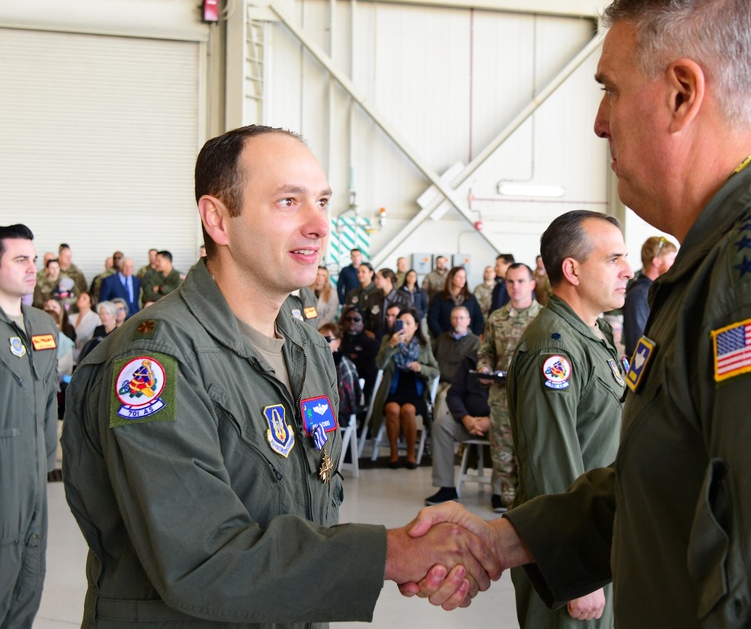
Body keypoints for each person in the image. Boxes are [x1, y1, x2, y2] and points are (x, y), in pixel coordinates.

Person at [411, 0, 751, 626]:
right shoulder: (733, 262)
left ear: (682, 94)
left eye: (610, 90)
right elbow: (674, 480)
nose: (600, 123)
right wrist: (506, 538)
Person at [61, 125, 498, 626]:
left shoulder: (305, 344)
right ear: (218, 219)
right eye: (289, 202)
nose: (319, 225)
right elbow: (202, 557)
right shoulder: (156, 360)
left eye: (323, 202)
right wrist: (391, 554)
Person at [504, 211, 630, 628]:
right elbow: (551, 466)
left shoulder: (592, 335)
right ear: (572, 270)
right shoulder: (553, 349)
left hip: (598, 538)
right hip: (571, 551)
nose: (627, 271)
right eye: (613, 260)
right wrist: (576, 573)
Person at [0, 224, 59, 628]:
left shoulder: (43, 326)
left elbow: (49, 402)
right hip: (4, 479)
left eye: (34, 260)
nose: (32, 268)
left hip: (37, 476)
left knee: (30, 581)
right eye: (20, 259)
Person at [477, 262, 541, 512]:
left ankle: (529, 513)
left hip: (533, 401)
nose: (516, 287)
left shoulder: (544, 319)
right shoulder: (496, 318)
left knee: (531, 459)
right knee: (503, 461)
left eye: (521, 281)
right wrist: (484, 368)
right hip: (502, 400)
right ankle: (510, 513)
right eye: (511, 282)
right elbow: (486, 352)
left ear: (532, 284)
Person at [424, 353, 498, 506]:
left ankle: (499, 492)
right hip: (467, 421)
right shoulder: (470, 361)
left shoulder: (508, 361)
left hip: (497, 423)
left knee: (508, 432)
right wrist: (466, 419)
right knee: (441, 425)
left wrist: (490, 420)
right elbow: (453, 394)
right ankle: (446, 487)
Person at [370, 308, 440, 468]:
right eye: (402, 323)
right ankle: (393, 454)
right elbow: (379, 364)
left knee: (408, 410)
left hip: (416, 391)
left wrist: (421, 368)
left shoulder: (423, 344)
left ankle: (411, 453)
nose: (405, 327)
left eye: (409, 323)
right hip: (393, 389)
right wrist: (391, 345)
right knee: (393, 410)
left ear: (416, 326)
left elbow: (436, 371)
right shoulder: (389, 339)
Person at [622, 235, 677, 358]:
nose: (676, 263)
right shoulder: (639, 294)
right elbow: (637, 344)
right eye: (672, 259)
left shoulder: (656, 290)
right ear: (656, 261)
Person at [319, 322, 361, 428]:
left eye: (327, 339)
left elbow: (348, 402)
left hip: (336, 415)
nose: (321, 343)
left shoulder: (344, 365)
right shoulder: (315, 361)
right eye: (318, 338)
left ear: (337, 343)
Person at [427, 266, 485, 339]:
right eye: (459, 277)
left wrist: (474, 337)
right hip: (445, 339)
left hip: (468, 341)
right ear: (452, 278)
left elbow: (479, 320)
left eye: (464, 277)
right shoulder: (440, 297)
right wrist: (441, 337)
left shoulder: (470, 298)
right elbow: (432, 319)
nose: (462, 280)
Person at [340, 305, 380, 405]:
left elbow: (367, 369)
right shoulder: (337, 341)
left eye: (357, 319)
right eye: (348, 319)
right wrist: (352, 357)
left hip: (359, 389)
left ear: (363, 323)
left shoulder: (371, 343)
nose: (352, 322)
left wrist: (345, 356)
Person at [433, 305, 481, 385]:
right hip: (438, 382)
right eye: (455, 318)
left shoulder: (475, 342)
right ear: (451, 320)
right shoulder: (442, 339)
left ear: (468, 321)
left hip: (461, 385)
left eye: (461, 318)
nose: (458, 321)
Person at [69, 290, 101, 359]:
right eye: (79, 297)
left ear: (90, 302)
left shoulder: (95, 318)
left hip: (85, 354)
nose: (80, 299)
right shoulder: (71, 317)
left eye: (84, 298)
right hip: (70, 352)